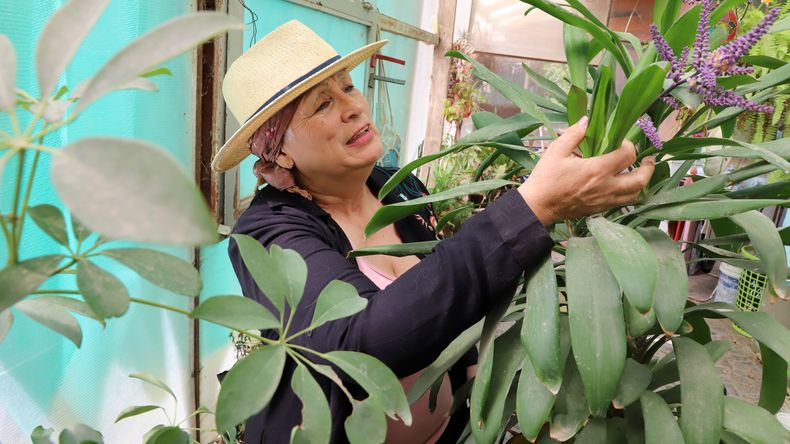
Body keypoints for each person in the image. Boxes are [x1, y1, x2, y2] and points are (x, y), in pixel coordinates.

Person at [211, 20, 655, 444]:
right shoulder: (267, 235)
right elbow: (358, 343)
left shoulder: (401, 190)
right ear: (280, 150)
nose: (352, 107)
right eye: (322, 105)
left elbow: (439, 293)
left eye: (347, 86)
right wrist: (534, 207)